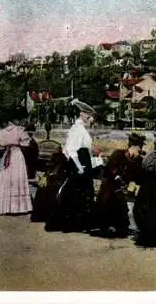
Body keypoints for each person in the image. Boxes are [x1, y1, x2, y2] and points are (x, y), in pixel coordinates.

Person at [45, 98, 97, 233]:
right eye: (89, 116)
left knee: (81, 191)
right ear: (83, 115)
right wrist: (79, 166)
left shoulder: (81, 129)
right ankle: (74, 223)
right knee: (78, 191)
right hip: (79, 161)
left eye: (90, 116)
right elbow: (71, 150)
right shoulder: (78, 129)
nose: (91, 118)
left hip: (83, 160)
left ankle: (80, 222)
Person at [93, 133, 146, 238]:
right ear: (133, 147)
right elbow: (110, 170)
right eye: (139, 150)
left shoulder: (138, 161)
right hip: (110, 187)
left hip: (122, 189)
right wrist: (119, 178)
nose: (139, 152)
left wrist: (134, 183)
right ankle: (106, 224)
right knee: (111, 197)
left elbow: (139, 178)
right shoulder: (118, 154)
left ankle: (119, 226)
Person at [0, 110, 33, 215]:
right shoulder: (19, 130)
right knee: (17, 177)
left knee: (5, 178)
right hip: (17, 155)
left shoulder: (3, 132)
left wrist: (5, 145)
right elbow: (26, 143)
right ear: (15, 120)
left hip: (7, 155)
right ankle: (17, 207)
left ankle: (3, 206)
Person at [31, 151, 68, 222]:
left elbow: (41, 183)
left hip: (55, 185)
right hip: (53, 186)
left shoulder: (56, 171)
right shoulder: (53, 171)